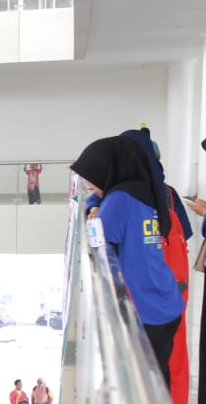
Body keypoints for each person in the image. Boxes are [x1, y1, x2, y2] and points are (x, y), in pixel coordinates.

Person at [73, 134, 184, 385]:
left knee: (138, 386)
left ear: (109, 170)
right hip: (165, 302)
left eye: (92, 177)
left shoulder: (119, 200)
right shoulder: (145, 192)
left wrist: (94, 209)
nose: (89, 185)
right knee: (158, 381)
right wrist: (96, 203)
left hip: (143, 309)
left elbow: (97, 242)